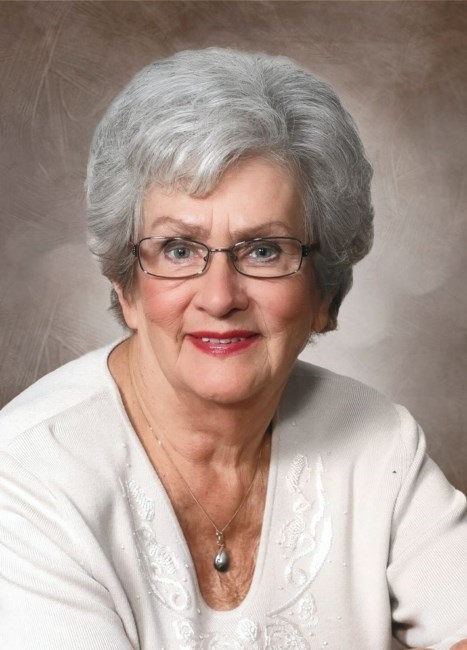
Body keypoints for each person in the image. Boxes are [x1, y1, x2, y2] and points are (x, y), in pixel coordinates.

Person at [0, 47, 466, 650]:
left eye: (264, 251)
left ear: (324, 292)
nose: (220, 297)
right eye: (178, 250)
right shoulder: (26, 475)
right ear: (126, 286)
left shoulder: (378, 442)